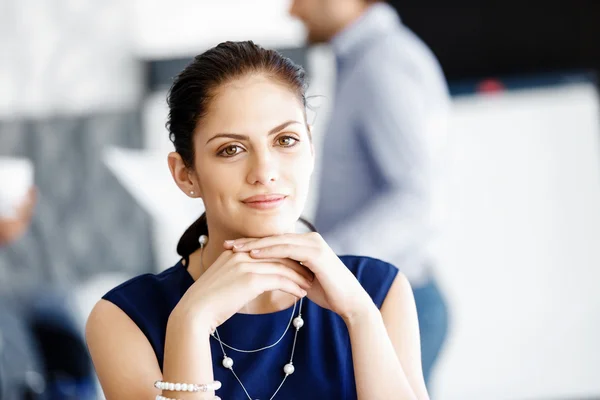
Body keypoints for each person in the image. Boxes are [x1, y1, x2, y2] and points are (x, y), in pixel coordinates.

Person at [85, 41, 429, 400]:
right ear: (186, 174)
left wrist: (360, 316)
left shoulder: (378, 291)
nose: (265, 172)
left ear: (310, 148)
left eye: (286, 140)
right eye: (231, 149)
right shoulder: (125, 318)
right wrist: (191, 321)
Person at [289, 0, 451, 386]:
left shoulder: (383, 65)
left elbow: (416, 199)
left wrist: (323, 258)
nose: (292, 11)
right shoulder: (365, 61)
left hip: (392, 300)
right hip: (376, 295)